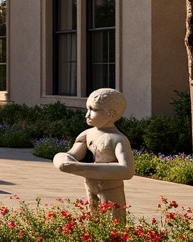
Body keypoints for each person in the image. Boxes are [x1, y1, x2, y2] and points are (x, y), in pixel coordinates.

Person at [52, 87, 134, 222]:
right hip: (90, 186)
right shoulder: (87, 134)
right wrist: (62, 160)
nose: (87, 114)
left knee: (113, 225)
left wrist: (82, 168)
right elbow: (71, 155)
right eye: (87, 109)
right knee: (93, 222)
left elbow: (127, 170)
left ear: (111, 114)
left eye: (93, 110)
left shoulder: (118, 139)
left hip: (110, 189)